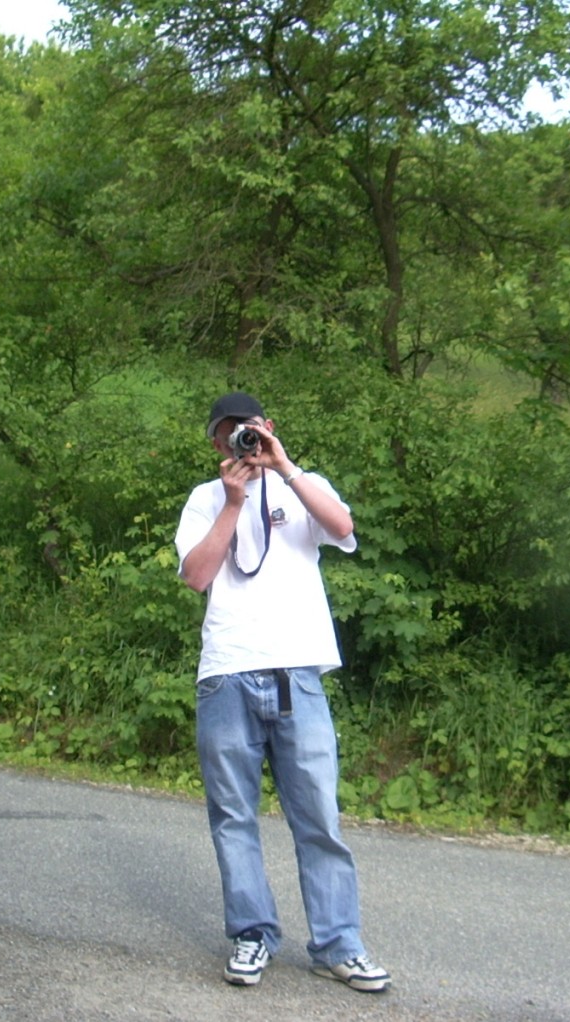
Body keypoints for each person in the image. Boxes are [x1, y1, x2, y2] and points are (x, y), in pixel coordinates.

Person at [174, 390, 391, 993]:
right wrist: (233, 502)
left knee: (318, 815)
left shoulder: (305, 484)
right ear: (216, 445)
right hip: (227, 672)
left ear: (267, 427)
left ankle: (339, 945)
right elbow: (196, 576)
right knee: (233, 816)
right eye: (227, 434)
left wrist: (284, 466)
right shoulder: (205, 498)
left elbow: (343, 527)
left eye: (248, 429)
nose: (240, 441)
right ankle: (252, 935)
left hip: (297, 670)